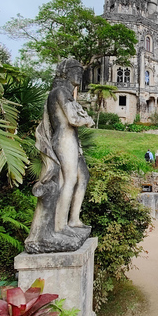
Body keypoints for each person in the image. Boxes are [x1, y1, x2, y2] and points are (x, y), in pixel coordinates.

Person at [26, 58, 94, 252]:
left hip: (71, 138)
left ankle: (73, 219)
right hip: (64, 138)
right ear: (66, 72)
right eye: (77, 71)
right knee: (69, 178)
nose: (80, 75)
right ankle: (60, 225)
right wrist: (86, 119)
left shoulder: (65, 92)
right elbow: (73, 118)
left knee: (83, 176)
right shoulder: (60, 92)